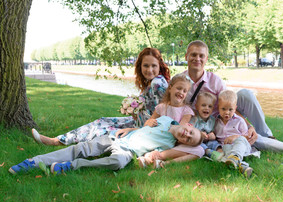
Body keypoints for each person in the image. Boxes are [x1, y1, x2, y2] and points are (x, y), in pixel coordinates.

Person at [31, 47, 170, 146]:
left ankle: (57, 142)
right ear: (140, 66)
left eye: (153, 66)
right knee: (102, 120)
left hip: (146, 128)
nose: (149, 69)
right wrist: (135, 110)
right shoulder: (152, 82)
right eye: (146, 65)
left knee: (102, 128)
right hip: (139, 122)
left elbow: (165, 109)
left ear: (159, 66)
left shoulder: (158, 83)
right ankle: (59, 140)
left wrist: (146, 121)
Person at [9, 116, 203, 175]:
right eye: (190, 132)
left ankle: (68, 167)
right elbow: (144, 127)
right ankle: (33, 162)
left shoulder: (168, 144)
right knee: (81, 148)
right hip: (115, 138)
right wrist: (131, 128)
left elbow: (195, 151)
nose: (186, 136)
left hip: (127, 151)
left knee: (117, 162)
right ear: (188, 125)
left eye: (188, 139)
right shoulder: (165, 119)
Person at [189, 92, 223, 161]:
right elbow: (190, 130)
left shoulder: (212, 120)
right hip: (198, 141)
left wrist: (213, 135)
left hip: (208, 140)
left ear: (213, 108)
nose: (206, 108)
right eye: (203, 105)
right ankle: (208, 152)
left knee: (214, 143)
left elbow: (213, 131)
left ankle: (221, 153)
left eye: (210, 106)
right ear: (197, 106)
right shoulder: (194, 119)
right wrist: (199, 134)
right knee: (199, 146)